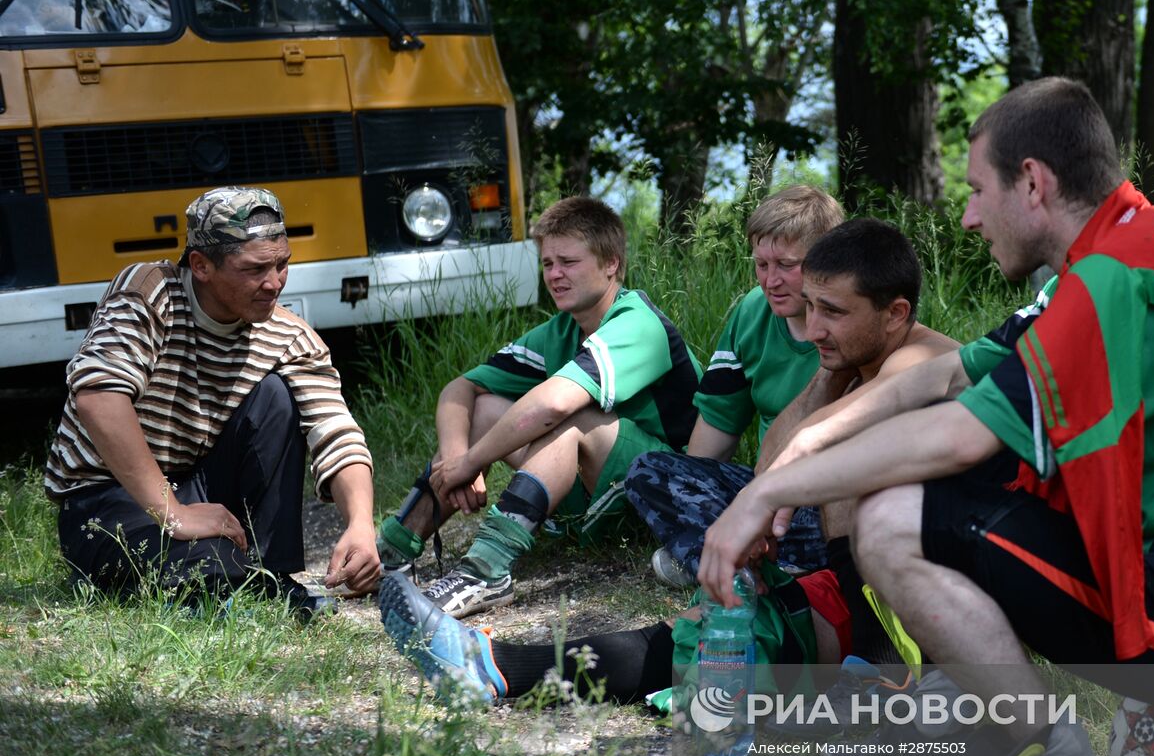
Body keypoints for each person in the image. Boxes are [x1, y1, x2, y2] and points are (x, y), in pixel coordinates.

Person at [698, 77, 1154, 756]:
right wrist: (801, 447)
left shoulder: (1110, 281)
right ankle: (965, 705)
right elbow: (944, 375)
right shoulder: (1130, 241)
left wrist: (765, 491)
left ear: (1032, 182)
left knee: (894, 517)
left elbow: (958, 435)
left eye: (976, 189)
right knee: (929, 492)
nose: (967, 214)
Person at [377, 218, 960, 707]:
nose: (812, 328)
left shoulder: (926, 358)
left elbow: (821, 440)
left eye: (831, 311)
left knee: (763, 609)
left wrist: (755, 510)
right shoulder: (844, 363)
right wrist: (826, 375)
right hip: (848, 591)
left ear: (894, 313)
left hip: (918, 604)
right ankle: (494, 665)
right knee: (708, 638)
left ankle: (883, 663)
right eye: (810, 308)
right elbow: (780, 450)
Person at [46, 187, 379, 612]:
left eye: (282, 265)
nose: (273, 283)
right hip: (105, 496)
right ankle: (235, 581)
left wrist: (361, 527)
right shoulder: (149, 293)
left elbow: (335, 431)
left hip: (197, 485)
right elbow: (98, 396)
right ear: (201, 266)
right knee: (213, 571)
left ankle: (269, 573)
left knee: (277, 396)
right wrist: (174, 513)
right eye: (254, 269)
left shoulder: (289, 336)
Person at [376, 196, 701, 620]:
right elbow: (461, 389)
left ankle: (486, 571)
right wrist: (458, 458)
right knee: (488, 406)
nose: (555, 275)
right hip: (599, 494)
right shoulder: (559, 330)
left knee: (573, 419)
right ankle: (392, 553)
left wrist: (474, 459)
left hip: (662, 504)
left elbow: (554, 404)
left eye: (569, 261)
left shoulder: (638, 323)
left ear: (612, 265)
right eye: (548, 263)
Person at [625, 184, 843, 586]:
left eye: (786, 264)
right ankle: (742, 569)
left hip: (828, 496)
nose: (770, 280)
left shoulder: (852, 316)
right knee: (648, 471)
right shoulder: (751, 311)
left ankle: (715, 559)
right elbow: (717, 427)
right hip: (766, 487)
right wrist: (692, 492)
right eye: (761, 265)